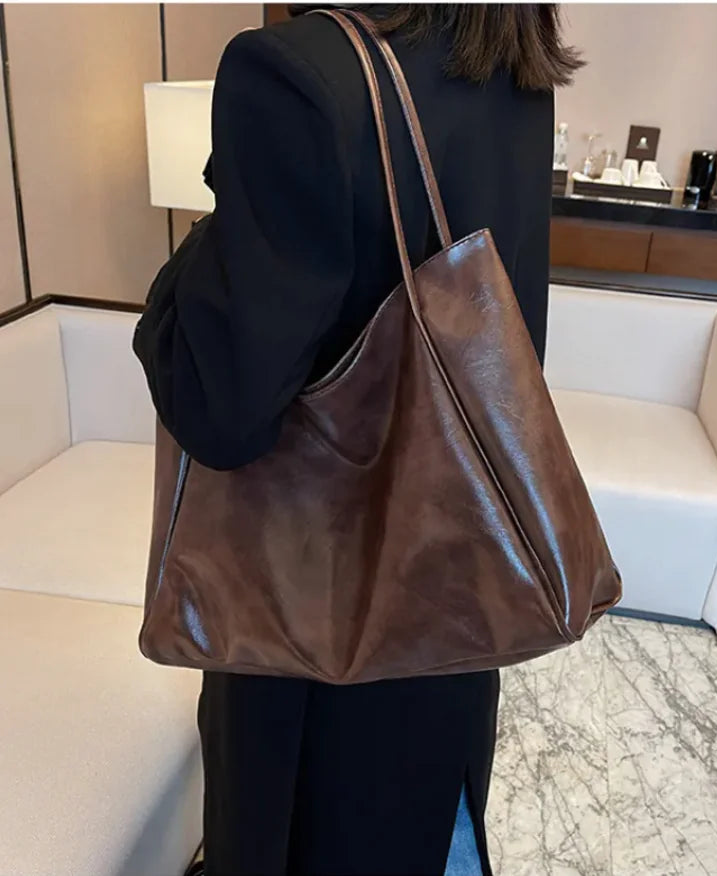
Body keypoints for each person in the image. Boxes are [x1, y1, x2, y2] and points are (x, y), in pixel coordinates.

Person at [133, 5, 582, 874]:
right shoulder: (508, 57)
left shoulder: (296, 74)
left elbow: (218, 409)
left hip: (315, 633)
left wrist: (198, 250)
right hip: (455, 591)